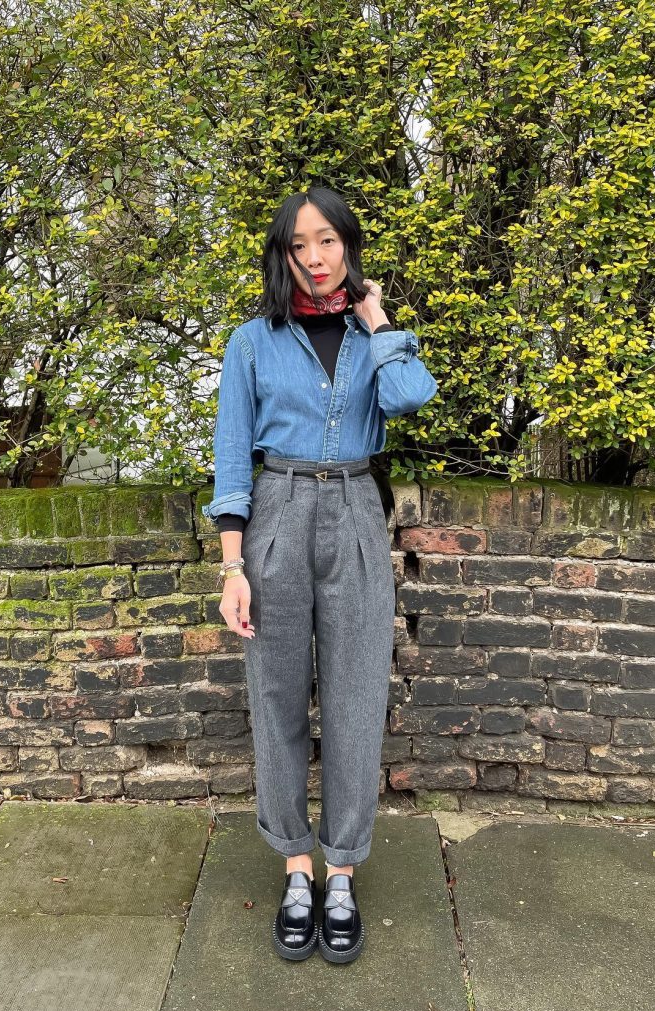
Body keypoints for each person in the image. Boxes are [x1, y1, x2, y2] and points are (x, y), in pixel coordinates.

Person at [201, 187, 438, 963]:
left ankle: (341, 870)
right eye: (298, 245)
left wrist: (377, 322)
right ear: (281, 255)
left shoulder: (374, 339)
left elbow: (410, 398)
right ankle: (295, 867)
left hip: (357, 517)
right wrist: (232, 566)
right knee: (273, 694)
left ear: (347, 247)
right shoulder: (251, 342)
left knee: (356, 693)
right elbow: (232, 460)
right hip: (275, 512)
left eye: (327, 241)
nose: (313, 258)